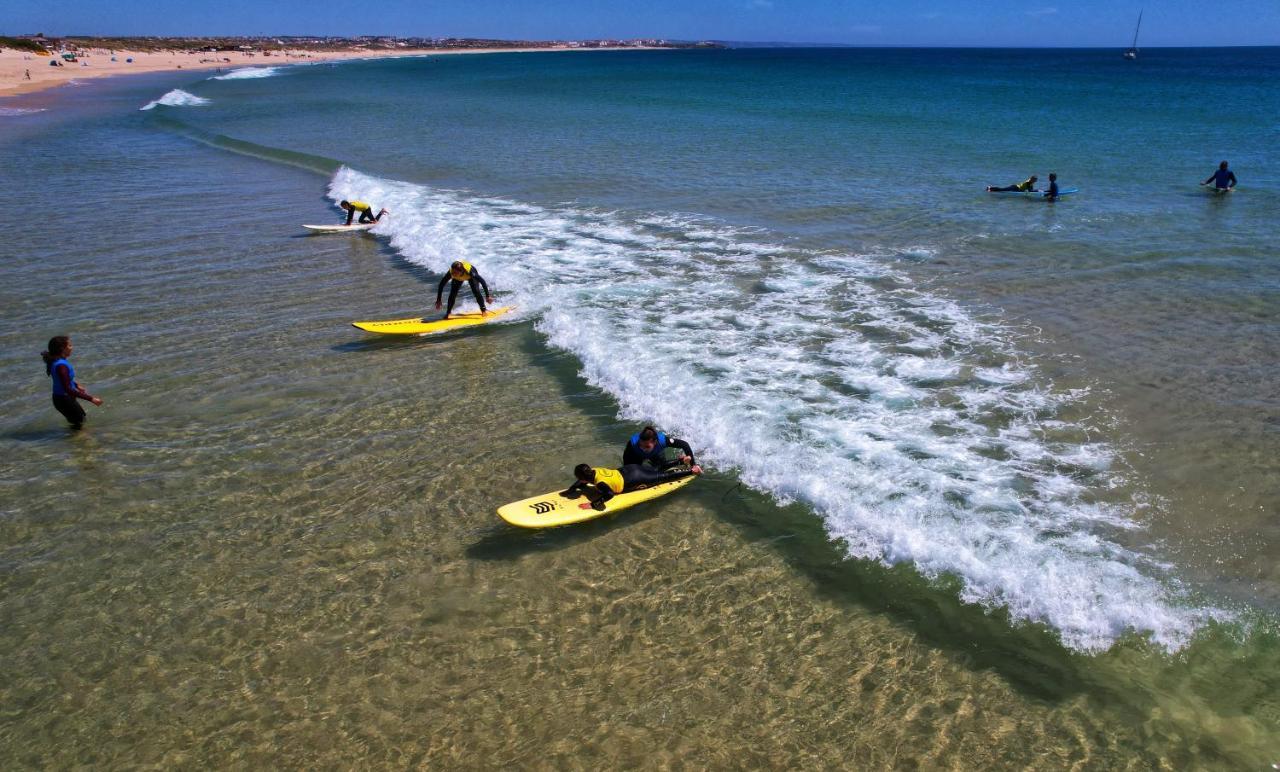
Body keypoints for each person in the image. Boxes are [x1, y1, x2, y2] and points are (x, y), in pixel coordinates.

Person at [560, 463, 698, 511]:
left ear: (583, 478)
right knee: (655, 470)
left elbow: (609, 494)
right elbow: (582, 481)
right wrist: (572, 489)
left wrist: (593, 505)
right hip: (629, 469)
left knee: (661, 478)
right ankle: (681, 460)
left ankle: (692, 471)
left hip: (634, 479)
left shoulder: (600, 482)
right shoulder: (593, 470)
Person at [41, 336, 102, 429]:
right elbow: (68, 389)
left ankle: (76, 441)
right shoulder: (61, 366)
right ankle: (82, 441)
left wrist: (76, 385)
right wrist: (91, 399)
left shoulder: (57, 361)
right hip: (64, 399)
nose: (72, 347)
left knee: (80, 420)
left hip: (61, 399)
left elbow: (62, 380)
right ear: (62, 348)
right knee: (79, 424)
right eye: (69, 345)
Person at [622, 426, 702, 474]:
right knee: (634, 471)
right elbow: (626, 459)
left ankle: (682, 461)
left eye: (647, 446)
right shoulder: (632, 444)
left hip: (655, 454)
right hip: (637, 456)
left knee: (661, 469)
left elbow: (685, 444)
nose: (643, 449)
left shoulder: (662, 441)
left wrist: (693, 465)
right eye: (641, 445)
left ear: (655, 442)